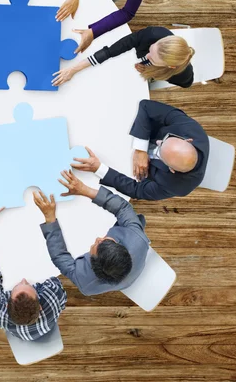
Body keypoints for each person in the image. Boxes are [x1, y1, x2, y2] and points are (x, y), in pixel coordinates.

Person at [33, 171, 150, 296]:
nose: (98, 238)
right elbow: (122, 208)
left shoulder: (85, 283)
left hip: (129, 277)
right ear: (118, 243)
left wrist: (50, 218)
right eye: (105, 240)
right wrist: (84, 190)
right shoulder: (138, 240)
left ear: (92, 263)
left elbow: (59, 257)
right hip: (133, 270)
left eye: (95, 246)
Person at [0, 190, 67, 341]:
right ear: (40, 305)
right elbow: (54, 280)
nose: (24, 279)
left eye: (19, 285)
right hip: (43, 326)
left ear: (6, 304)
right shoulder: (51, 298)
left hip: (24, 332)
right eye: (28, 285)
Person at [72, 100, 210, 201]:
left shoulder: (177, 186)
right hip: (127, 131)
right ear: (188, 140)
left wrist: (99, 168)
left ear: (172, 170)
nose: (158, 142)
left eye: (159, 152)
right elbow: (146, 106)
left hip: (124, 165)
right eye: (165, 139)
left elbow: (137, 190)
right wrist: (141, 149)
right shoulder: (191, 129)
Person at [52, 26, 195, 88]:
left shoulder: (182, 75)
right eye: (151, 49)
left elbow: (186, 84)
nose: (146, 55)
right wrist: (73, 70)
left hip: (162, 75)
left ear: (170, 66)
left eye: (152, 58)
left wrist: (149, 72)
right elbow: (109, 52)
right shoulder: (151, 34)